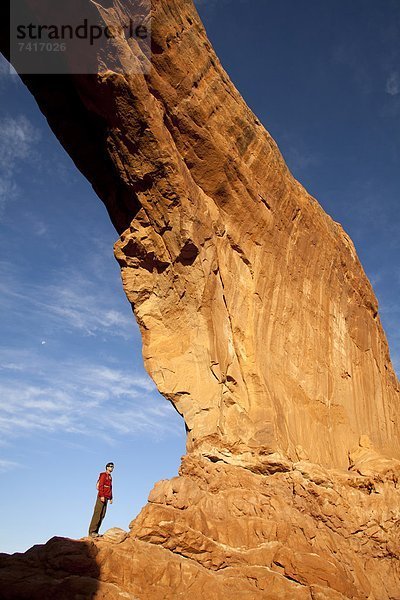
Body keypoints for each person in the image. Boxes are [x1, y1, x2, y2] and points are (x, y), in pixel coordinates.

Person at [88, 462, 114, 537]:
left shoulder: (110, 477)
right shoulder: (103, 475)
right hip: (101, 497)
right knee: (97, 513)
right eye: (110, 466)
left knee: (102, 515)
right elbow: (101, 485)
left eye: (113, 467)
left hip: (106, 497)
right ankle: (92, 531)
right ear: (107, 467)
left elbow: (110, 488)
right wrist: (102, 495)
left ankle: (96, 532)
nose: (112, 468)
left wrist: (111, 497)